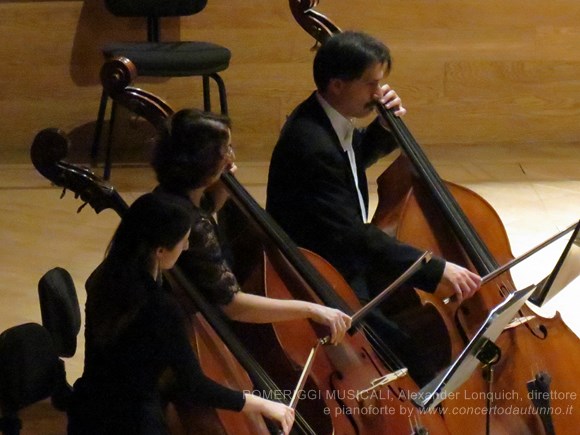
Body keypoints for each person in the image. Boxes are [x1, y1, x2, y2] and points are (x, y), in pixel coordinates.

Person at [266, 31, 481, 385]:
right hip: (326, 274)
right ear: (337, 84)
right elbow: (350, 234)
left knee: (416, 335)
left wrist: (383, 128)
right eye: (371, 84)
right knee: (409, 356)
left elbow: (350, 163)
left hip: (343, 257)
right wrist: (433, 268)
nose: (379, 94)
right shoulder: (310, 142)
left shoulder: (323, 117)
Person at [67, 193, 295, 435]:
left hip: (86, 414)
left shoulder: (101, 280)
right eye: (184, 241)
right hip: (132, 425)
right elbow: (193, 386)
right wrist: (263, 404)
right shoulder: (161, 308)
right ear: (161, 251)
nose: (186, 247)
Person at [150, 108, 352, 344]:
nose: (231, 157)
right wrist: (311, 309)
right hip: (200, 333)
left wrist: (224, 184)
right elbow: (234, 305)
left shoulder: (171, 194)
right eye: (225, 150)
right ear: (204, 161)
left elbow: (205, 205)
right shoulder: (193, 226)